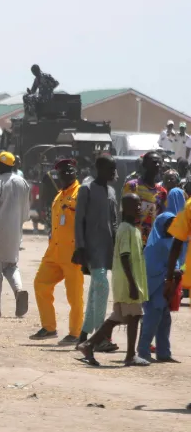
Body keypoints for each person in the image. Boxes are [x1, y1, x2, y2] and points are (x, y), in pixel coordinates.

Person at [77, 193, 149, 367]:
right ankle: (130, 355)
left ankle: (89, 344)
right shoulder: (126, 229)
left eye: (140, 205)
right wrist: (132, 284)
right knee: (134, 317)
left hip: (130, 282)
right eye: (135, 205)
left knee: (119, 318)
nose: (139, 208)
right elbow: (124, 257)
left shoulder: (134, 229)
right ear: (125, 208)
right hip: (128, 283)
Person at [30, 159, 84, 345]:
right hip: (54, 251)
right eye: (63, 172)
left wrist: (82, 248)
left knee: (74, 295)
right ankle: (49, 327)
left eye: (70, 170)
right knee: (40, 284)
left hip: (72, 252)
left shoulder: (81, 193)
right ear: (58, 176)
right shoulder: (59, 195)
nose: (67, 173)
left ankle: (75, 333)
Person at [73, 155, 119, 350]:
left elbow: (115, 221)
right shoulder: (86, 189)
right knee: (102, 286)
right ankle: (100, 337)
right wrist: (80, 248)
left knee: (95, 291)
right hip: (91, 248)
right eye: (110, 168)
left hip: (107, 248)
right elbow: (79, 221)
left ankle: (83, 336)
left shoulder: (110, 191)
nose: (113, 173)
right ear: (99, 168)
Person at [0, 152, 30, 318]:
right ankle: (19, 289)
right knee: (11, 266)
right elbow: (25, 215)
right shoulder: (23, 183)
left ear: (2, 165)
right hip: (15, 233)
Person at [138, 208, 178, 362]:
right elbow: (151, 268)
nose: (171, 227)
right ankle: (143, 351)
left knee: (165, 320)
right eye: (168, 224)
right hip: (155, 287)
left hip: (166, 286)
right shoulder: (154, 245)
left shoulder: (173, 242)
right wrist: (170, 271)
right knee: (152, 320)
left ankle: (163, 352)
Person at [123, 151, 166, 245]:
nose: (158, 165)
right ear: (144, 165)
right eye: (154, 162)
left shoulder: (162, 192)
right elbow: (124, 214)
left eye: (160, 162)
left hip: (152, 242)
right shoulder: (132, 186)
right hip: (133, 239)